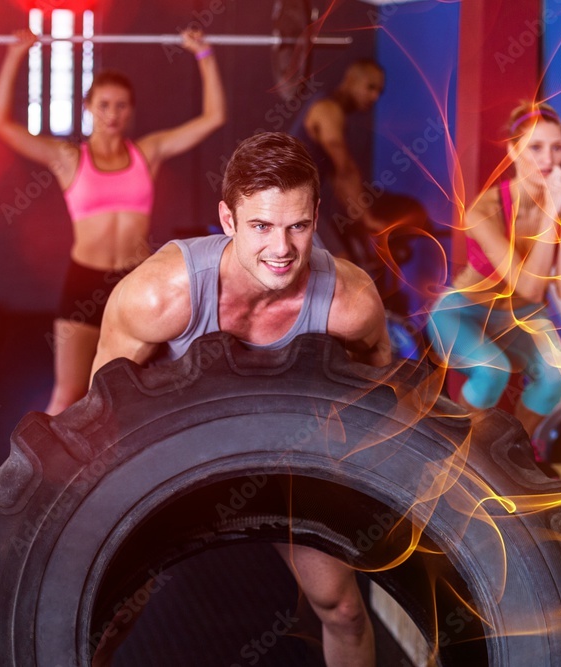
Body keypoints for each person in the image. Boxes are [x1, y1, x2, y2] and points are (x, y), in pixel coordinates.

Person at [90, 132, 390, 666]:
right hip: (172, 454)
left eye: (298, 226)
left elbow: (380, 389)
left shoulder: (349, 301)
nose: (282, 249)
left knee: (342, 608)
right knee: (106, 607)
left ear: (317, 215)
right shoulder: (160, 294)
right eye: (261, 226)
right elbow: (97, 416)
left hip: (282, 455)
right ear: (227, 220)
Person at [0, 27, 225, 415]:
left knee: (133, 400)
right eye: (104, 105)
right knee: (67, 396)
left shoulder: (147, 153)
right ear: (88, 107)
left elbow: (214, 117)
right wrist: (16, 54)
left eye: (121, 106)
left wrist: (203, 54)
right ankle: (40, 478)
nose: (112, 114)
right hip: (84, 282)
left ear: (131, 111)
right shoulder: (68, 158)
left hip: (134, 280)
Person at [425, 102, 561, 451]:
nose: (548, 159)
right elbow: (531, 288)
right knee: (492, 371)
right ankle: (458, 456)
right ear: (513, 150)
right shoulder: (485, 210)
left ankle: (513, 452)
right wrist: (550, 214)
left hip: (521, 318)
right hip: (462, 313)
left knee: (556, 376)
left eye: (556, 147)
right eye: (535, 147)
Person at [289, 58, 386, 260]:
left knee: (339, 269)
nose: (374, 96)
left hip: (299, 204)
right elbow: (346, 169)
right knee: (342, 270)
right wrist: (367, 219)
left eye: (379, 91)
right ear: (350, 79)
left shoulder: (333, 111)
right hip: (293, 206)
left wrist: (360, 217)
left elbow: (339, 178)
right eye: (370, 87)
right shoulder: (328, 110)